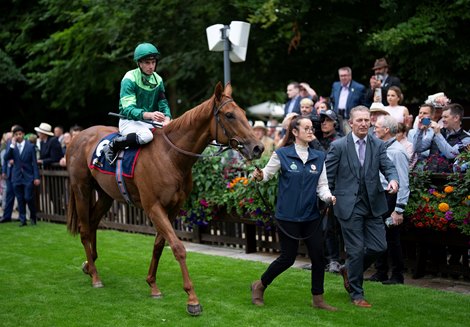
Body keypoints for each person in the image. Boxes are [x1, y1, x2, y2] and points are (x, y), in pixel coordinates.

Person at [251, 115, 338, 311]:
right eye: (306, 128)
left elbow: (322, 186)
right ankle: (260, 285)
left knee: (318, 256)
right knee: (287, 258)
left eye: (311, 128)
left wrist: (328, 197)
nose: (311, 131)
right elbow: (266, 175)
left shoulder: (319, 156)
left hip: (311, 217)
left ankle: (318, 299)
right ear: (295, 132)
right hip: (287, 216)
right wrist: (259, 175)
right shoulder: (282, 154)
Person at [325, 105, 399, 308]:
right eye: (360, 120)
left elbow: (388, 167)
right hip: (348, 205)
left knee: (379, 247)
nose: (364, 124)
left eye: (367, 120)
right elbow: (328, 177)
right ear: (351, 123)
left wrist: (393, 180)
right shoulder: (339, 146)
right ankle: (357, 294)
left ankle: (348, 269)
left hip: (373, 204)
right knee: (356, 250)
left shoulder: (377, 144)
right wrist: (328, 197)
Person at [102, 42, 172, 165]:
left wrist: (167, 118)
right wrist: (149, 115)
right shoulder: (129, 78)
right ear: (139, 63)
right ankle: (114, 145)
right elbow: (128, 109)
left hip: (150, 122)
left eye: (153, 62)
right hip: (129, 121)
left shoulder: (158, 79)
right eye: (147, 63)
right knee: (147, 136)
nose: (151, 66)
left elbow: (163, 103)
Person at [368, 115, 409, 284]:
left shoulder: (397, 151)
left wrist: (398, 209)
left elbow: (404, 182)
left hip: (391, 197)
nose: (374, 128)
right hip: (380, 196)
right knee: (379, 236)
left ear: (386, 130)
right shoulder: (380, 147)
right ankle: (381, 272)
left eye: (377, 126)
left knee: (392, 238)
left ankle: (397, 275)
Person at [413, 103, 470, 172]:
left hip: (450, 179)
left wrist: (438, 134)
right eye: (442, 117)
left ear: (456, 118)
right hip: (430, 177)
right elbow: (418, 148)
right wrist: (420, 130)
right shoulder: (438, 132)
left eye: (445, 117)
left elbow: (451, 154)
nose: (442, 120)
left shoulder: (466, 138)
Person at [3, 126, 41, 226]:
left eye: (20, 134)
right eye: (16, 135)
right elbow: (6, 157)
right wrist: (12, 146)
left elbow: (34, 163)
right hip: (16, 177)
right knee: (20, 199)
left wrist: (36, 177)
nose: (18, 136)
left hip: (28, 176)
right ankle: (23, 219)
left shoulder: (30, 146)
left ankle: (33, 217)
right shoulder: (12, 145)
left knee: (28, 197)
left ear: (23, 134)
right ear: (14, 136)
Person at [330, 67, 366, 135]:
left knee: (349, 139)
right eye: (341, 76)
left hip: (350, 119)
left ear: (350, 76)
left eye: (345, 75)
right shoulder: (336, 85)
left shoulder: (359, 88)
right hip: (336, 119)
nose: (343, 78)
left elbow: (363, 105)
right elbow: (332, 100)